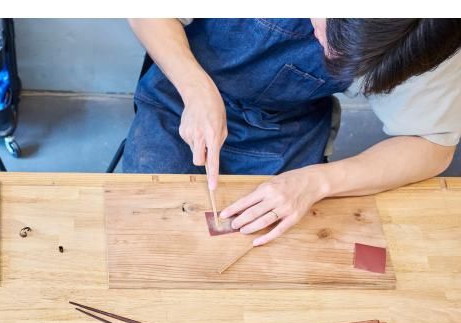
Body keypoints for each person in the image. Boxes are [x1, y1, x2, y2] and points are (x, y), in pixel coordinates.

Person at [124, 19, 461, 246]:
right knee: (156, 233)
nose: (328, 54)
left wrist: (316, 182)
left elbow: (432, 145)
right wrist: (196, 88)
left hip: (286, 123)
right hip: (180, 94)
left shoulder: (432, 33)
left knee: (275, 252)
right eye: (330, 37)